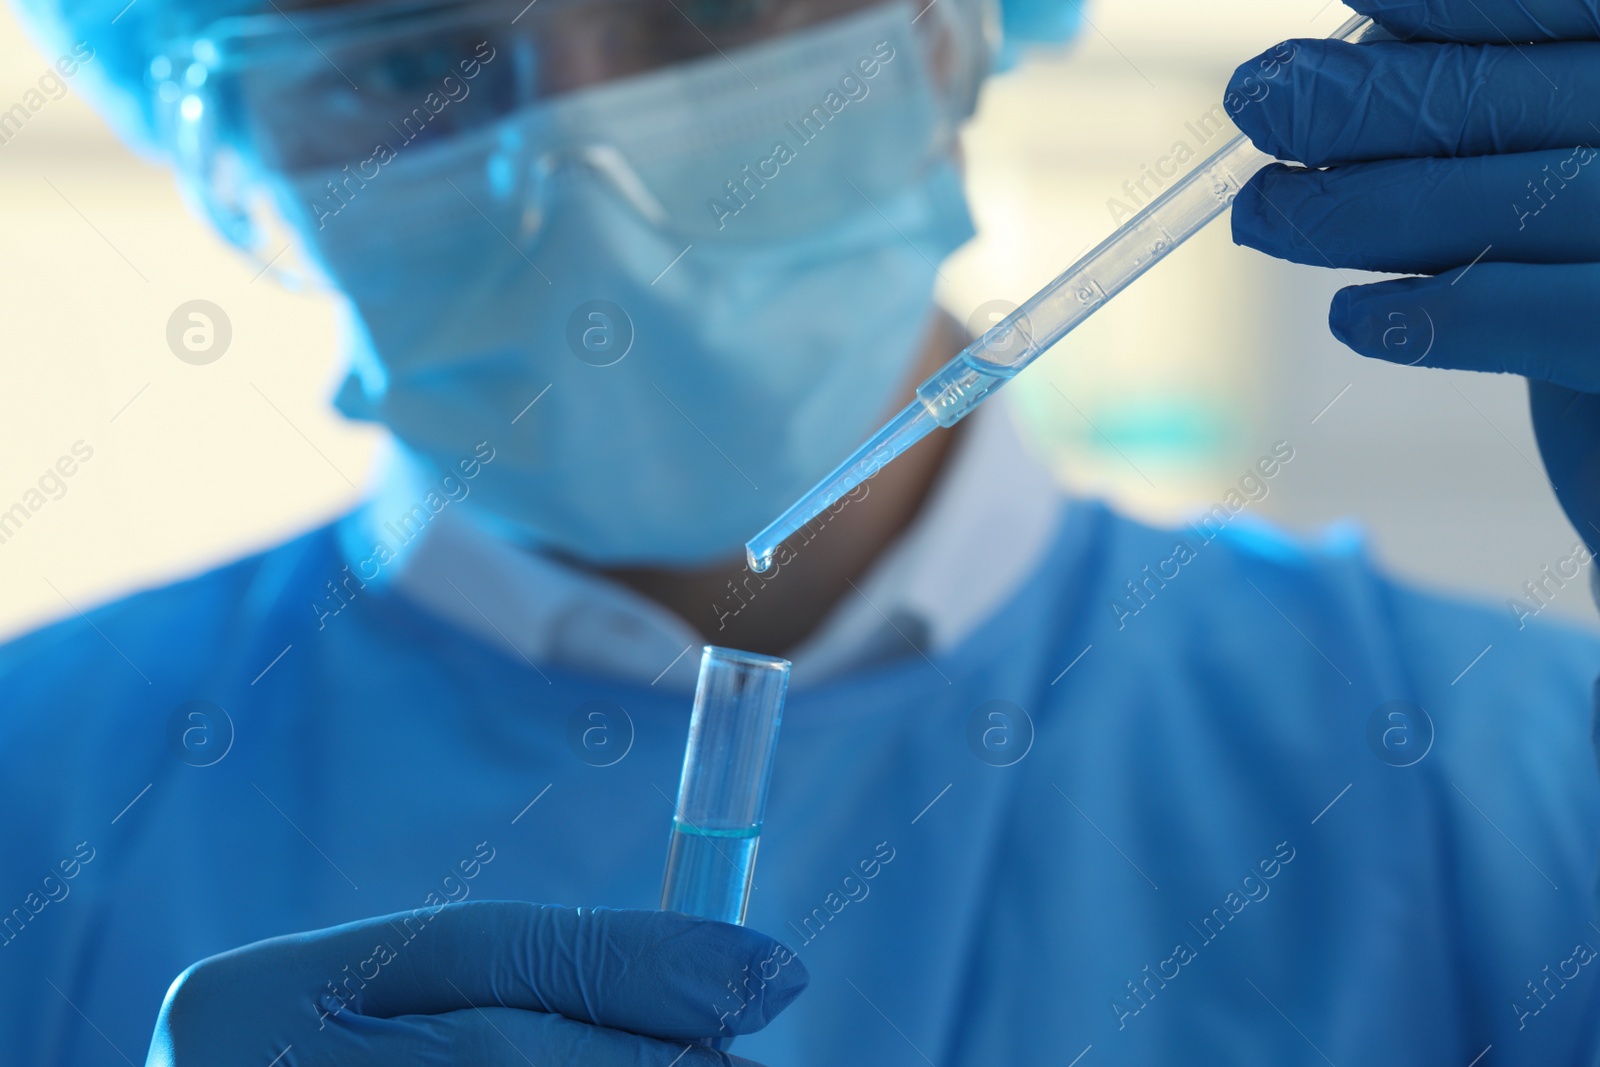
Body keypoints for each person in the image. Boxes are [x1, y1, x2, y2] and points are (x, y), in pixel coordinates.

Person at [3, 0, 1599, 1062]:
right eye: (401, 52)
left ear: (950, 34)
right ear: (225, 164)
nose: (589, 153)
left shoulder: (1492, 770)